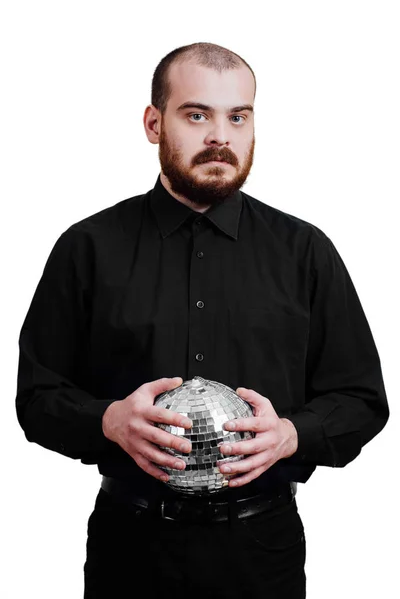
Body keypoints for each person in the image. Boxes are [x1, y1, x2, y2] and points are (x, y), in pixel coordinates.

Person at [15, 41, 389, 599]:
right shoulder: (87, 248)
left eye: (238, 116)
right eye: (197, 115)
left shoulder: (305, 251)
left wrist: (290, 435)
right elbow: (37, 398)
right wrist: (108, 420)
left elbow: (362, 400)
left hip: (262, 552)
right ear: (153, 123)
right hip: (129, 549)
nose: (221, 135)